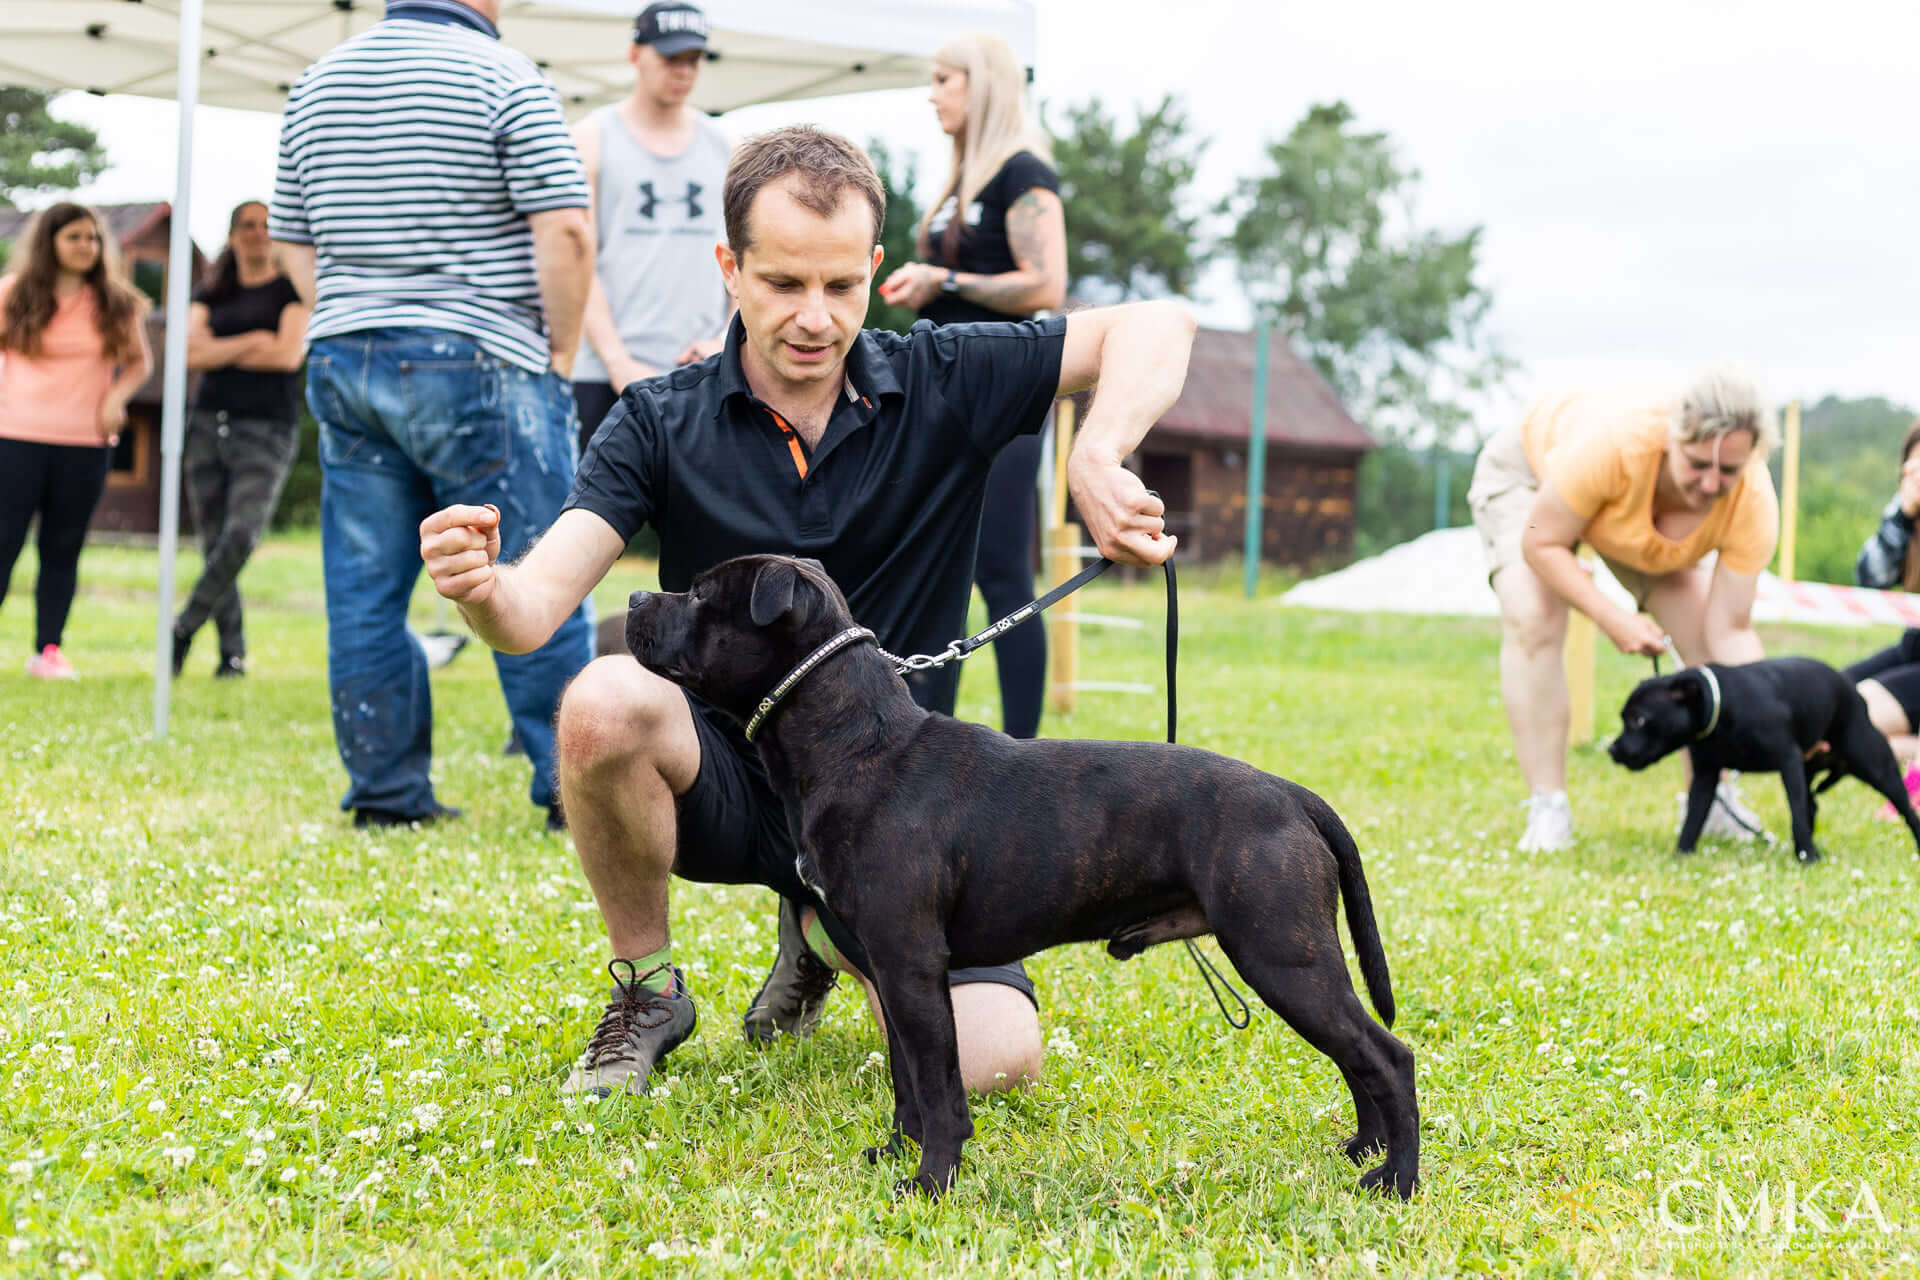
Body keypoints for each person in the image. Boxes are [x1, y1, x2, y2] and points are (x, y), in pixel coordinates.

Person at [419, 126, 1194, 1100]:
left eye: (840, 284)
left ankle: (824, 929)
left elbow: (1158, 324)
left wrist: (1097, 454)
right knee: (601, 699)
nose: (815, 317)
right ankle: (649, 989)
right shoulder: (662, 418)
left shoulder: (942, 378)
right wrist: (483, 590)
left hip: (904, 806)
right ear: (729, 268)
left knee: (996, 1061)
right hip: (734, 777)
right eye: (783, 283)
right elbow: (533, 611)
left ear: (874, 267)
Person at [269, 0, 595, 829]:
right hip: (482, 356)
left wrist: (352, 313)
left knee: (364, 588)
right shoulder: (503, 73)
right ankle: (574, 792)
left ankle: (385, 793)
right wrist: (559, 353)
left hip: (346, 354)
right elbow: (565, 229)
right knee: (532, 568)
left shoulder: (317, 80)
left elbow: (290, 239)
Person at [1467, 371, 1781, 852]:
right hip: (1530, 477)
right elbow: (1542, 542)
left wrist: (1781, 711)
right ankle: (1548, 807)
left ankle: (1712, 798)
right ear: (1673, 437)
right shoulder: (1617, 447)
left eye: (1729, 471)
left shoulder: (1752, 501)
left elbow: (1730, 632)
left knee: (1699, 643)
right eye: (1697, 464)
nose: (1711, 483)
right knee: (1535, 615)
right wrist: (1614, 619)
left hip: (1619, 516)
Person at [877, 32, 1065, 739]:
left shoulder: (1023, 172)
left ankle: (1024, 750)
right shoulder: (962, 174)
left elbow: (1047, 284)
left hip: (1007, 392)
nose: (932, 93)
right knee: (941, 570)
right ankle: (931, 742)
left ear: (980, 85)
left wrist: (944, 280)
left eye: (943, 79)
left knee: (1002, 572)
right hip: (947, 390)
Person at [569, 2, 733, 455]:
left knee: (704, 522)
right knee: (588, 519)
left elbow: (744, 259)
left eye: (693, 60)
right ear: (634, 55)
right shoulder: (591, 138)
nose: (683, 71)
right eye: (670, 58)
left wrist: (725, 339)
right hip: (603, 374)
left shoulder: (723, 145)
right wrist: (618, 361)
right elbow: (576, 259)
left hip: (700, 369)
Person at [0, 202, 153, 680]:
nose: (87, 246)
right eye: (75, 237)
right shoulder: (12, 293)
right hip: (16, 437)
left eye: (92, 238)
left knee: (62, 547)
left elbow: (138, 363)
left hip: (85, 442)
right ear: (50, 242)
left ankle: (48, 651)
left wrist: (117, 397)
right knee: (3, 543)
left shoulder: (116, 302)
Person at [170, 200, 310, 679]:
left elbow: (288, 355)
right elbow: (189, 352)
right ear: (232, 235)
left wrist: (221, 350)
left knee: (240, 535)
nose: (258, 232)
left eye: (267, 225)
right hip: (208, 422)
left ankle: (183, 625)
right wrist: (253, 342)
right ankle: (231, 655)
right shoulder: (211, 290)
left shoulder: (292, 289)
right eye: (248, 225)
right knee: (212, 540)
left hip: (267, 428)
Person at [1843, 419, 1920, 813]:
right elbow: (1869, 579)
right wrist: (1905, 514)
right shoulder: (1906, 513)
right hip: (1914, 647)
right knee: (1829, 700)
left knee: (1859, 714)